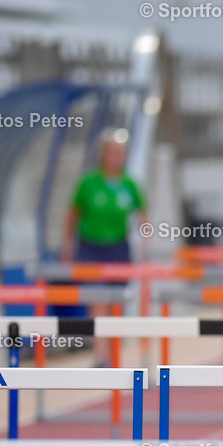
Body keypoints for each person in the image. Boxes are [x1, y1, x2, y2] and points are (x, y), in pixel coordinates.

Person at [62, 128, 146, 364]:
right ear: (103, 154)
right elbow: (72, 214)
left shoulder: (129, 183)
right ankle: (101, 354)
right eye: (111, 152)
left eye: (119, 152)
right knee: (98, 299)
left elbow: (142, 212)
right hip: (90, 247)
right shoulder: (88, 182)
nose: (115, 156)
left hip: (119, 247)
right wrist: (67, 246)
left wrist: (145, 239)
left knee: (116, 300)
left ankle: (114, 350)